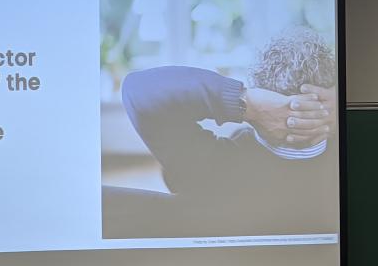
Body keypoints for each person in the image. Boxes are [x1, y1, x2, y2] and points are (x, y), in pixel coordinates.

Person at [119, 26, 338, 236]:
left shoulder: (215, 170)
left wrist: (246, 102)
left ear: (263, 97)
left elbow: (138, 89)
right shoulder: (348, 164)